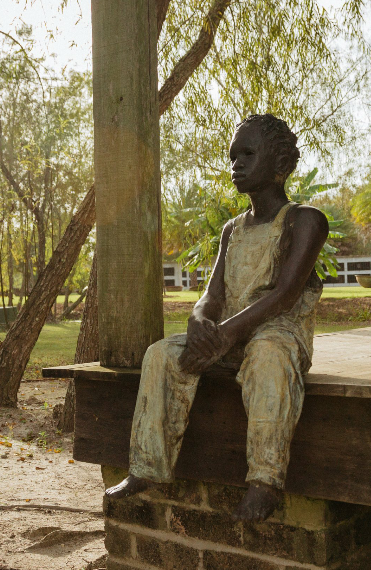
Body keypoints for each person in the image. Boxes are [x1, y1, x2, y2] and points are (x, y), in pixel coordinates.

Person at [105, 114, 329, 522]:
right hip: (227, 336)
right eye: (232, 157)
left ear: (280, 163)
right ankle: (147, 466)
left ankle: (265, 481)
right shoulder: (232, 230)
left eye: (247, 154)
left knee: (268, 359)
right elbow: (214, 292)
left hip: (277, 334)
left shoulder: (304, 220)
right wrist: (199, 321)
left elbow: (284, 295)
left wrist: (223, 335)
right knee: (161, 355)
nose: (236, 164)